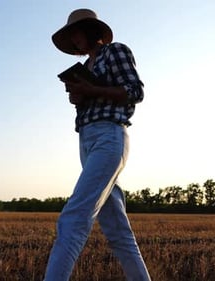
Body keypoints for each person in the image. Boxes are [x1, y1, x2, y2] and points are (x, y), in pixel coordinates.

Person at [44, 8, 151, 281]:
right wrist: (79, 97)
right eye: (71, 36)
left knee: (73, 218)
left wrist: (93, 90)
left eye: (77, 33)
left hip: (109, 136)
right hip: (87, 140)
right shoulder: (86, 67)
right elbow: (94, 99)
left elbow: (135, 91)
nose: (75, 40)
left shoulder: (115, 51)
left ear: (91, 30)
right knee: (117, 231)